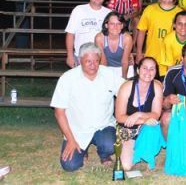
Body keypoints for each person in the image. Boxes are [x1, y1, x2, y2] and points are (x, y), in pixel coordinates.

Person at [51, 42, 126, 172]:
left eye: (96, 61)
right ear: (80, 61)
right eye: (88, 61)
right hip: (77, 131)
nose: (93, 65)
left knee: (110, 145)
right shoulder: (67, 78)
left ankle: (104, 154)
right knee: (70, 165)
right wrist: (70, 139)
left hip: (104, 126)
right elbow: (59, 112)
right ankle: (82, 149)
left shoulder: (108, 74)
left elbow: (127, 90)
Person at [115, 57, 163, 170]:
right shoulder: (126, 87)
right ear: (138, 70)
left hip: (145, 127)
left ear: (156, 72)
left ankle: (145, 151)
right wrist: (145, 120)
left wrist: (138, 114)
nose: (148, 72)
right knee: (126, 166)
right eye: (145, 68)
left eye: (152, 69)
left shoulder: (157, 87)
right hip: (128, 129)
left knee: (152, 127)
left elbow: (156, 114)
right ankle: (135, 148)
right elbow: (119, 117)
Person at [136, 0, 182, 80]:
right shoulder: (150, 9)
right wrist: (139, 52)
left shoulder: (180, 13)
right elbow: (141, 31)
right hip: (152, 60)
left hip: (171, 62)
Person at [65, 0, 111, 68]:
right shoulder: (78, 10)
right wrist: (70, 56)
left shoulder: (109, 13)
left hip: (101, 59)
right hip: (81, 57)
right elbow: (70, 34)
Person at [95, 11, 134, 79]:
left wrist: (123, 79)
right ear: (106, 25)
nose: (115, 27)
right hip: (107, 68)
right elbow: (103, 62)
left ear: (122, 26)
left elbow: (125, 61)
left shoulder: (127, 38)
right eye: (112, 24)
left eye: (118, 24)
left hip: (125, 68)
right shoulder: (99, 38)